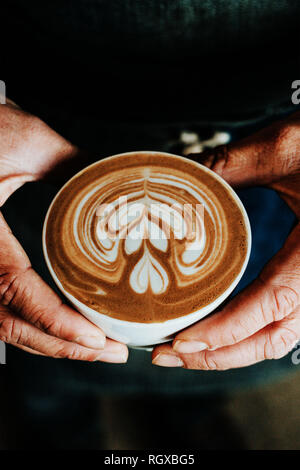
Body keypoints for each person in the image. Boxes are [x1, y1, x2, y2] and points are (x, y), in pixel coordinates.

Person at [0, 0, 299, 449]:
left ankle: (189, 411)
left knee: (217, 344)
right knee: (36, 348)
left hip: (274, 146)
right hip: (35, 131)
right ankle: (55, 429)